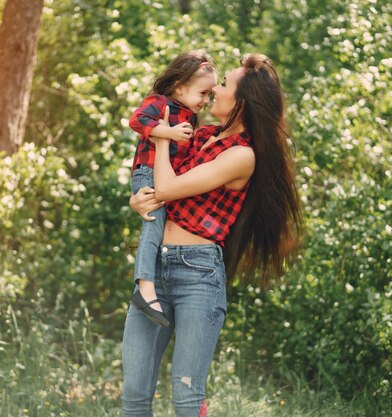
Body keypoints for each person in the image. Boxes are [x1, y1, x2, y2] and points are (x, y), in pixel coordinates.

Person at [121, 53, 303, 417]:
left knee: (187, 399)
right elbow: (152, 187)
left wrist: (161, 134)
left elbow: (168, 187)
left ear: (242, 103)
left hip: (198, 275)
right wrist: (135, 200)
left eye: (224, 86)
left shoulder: (242, 155)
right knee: (135, 397)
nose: (214, 91)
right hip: (156, 267)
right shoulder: (200, 136)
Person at [128, 51, 217, 327]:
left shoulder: (190, 117)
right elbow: (136, 120)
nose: (205, 101)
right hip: (148, 172)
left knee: (159, 229)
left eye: (210, 96)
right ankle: (144, 287)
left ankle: (150, 284)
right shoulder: (161, 103)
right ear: (180, 87)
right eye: (202, 93)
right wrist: (167, 133)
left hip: (165, 180)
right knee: (153, 228)